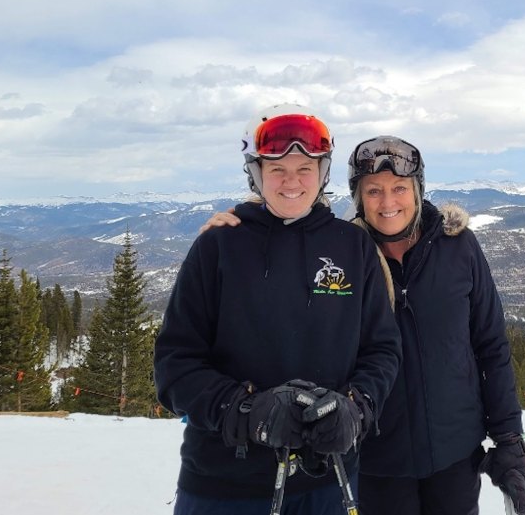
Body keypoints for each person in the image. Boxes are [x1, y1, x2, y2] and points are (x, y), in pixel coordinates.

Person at [203, 135, 525, 515]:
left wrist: (508, 438)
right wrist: (241, 226)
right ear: (358, 197)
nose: (388, 202)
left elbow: (491, 345)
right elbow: (288, 240)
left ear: (417, 189)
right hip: (376, 460)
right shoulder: (347, 255)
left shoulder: (458, 248)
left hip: (456, 457)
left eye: (399, 189)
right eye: (373, 191)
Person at [154, 105, 401, 515]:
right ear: (256, 173)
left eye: (305, 167)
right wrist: (246, 411)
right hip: (224, 486)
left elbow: (382, 350)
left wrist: (355, 408)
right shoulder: (218, 247)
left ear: (322, 173)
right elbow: (175, 365)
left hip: (328, 481)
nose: (292, 181)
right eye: (277, 169)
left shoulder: (352, 248)